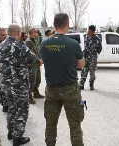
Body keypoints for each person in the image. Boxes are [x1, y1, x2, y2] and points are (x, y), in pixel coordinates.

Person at [40, 13, 85, 146]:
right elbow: (81, 64)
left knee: (50, 124)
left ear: (54, 25)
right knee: (75, 124)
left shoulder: (44, 43)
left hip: (51, 89)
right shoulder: (73, 44)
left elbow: (43, 60)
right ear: (67, 24)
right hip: (70, 89)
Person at [0, 24, 41, 146]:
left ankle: (11, 132)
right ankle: (18, 137)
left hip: (6, 84)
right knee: (21, 109)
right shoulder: (19, 46)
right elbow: (32, 59)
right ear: (17, 33)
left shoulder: (0, 46)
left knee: (12, 107)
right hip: (18, 85)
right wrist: (39, 60)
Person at [79, 25, 102, 90]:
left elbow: (100, 48)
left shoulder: (97, 39)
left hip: (93, 57)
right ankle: (81, 84)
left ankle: (91, 84)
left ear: (92, 31)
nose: (87, 31)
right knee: (84, 70)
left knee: (92, 70)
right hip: (86, 56)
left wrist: (94, 53)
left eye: (88, 30)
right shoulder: (86, 36)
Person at [25, 28, 44, 105]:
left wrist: (41, 59)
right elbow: (30, 54)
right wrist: (38, 60)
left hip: (36, 64)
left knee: (37, 79)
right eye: (36, 32)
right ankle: (29, 96)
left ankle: (36, 93)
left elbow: (38, 51)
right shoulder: (28, 42)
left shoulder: (35, 40)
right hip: (31, 65)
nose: (37, 33)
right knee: (31, 80)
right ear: (32, 32)